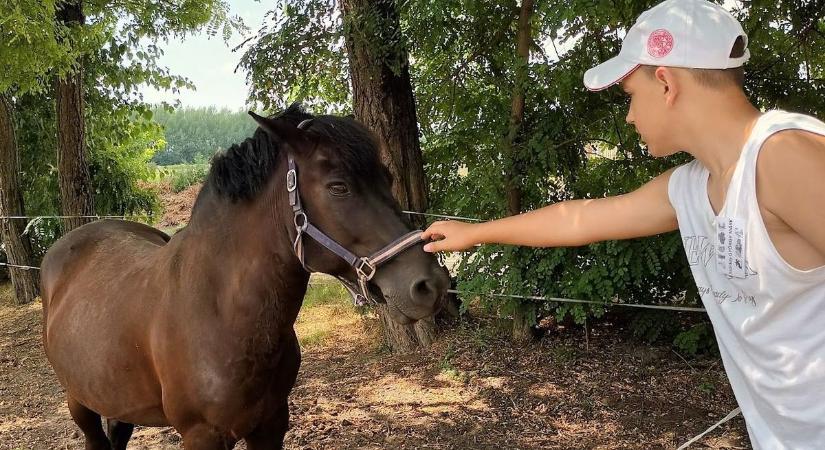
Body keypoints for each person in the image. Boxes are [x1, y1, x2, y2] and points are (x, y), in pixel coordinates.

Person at [421, 0, 825, 447]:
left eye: (630, 96)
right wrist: (474, 233)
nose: (630, 116)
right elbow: (580, 219)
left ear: (666, 83)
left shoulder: (783, 158)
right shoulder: (691, 187)